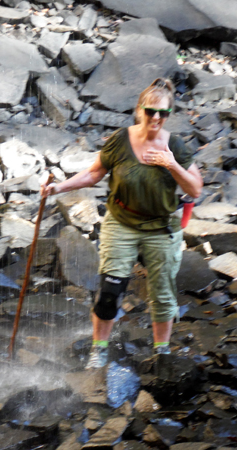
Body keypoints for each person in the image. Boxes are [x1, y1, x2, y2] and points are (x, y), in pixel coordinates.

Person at [41, 78, 203, 369]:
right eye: (150, 111)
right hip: (122, 222)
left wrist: (171, 164)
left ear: (168, 115)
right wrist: (58, 188)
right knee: (109, 292)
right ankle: (98, 349)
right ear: (139, 110)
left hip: (160, 228)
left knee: (163, 294)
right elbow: (93, 175)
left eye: (162, 113)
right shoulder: (120, 140)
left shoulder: (176, 146)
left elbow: (195, 190)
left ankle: (161, 352)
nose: (156, 118)